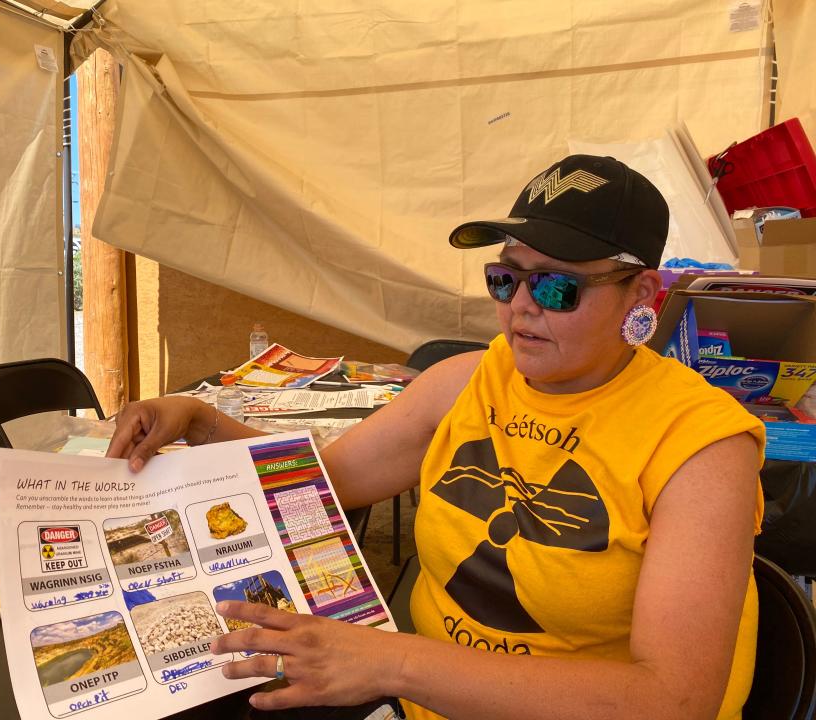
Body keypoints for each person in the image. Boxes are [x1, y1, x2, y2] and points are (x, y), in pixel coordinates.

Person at [107, 155, 765, 720]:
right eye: (505, 278)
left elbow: (671, 700)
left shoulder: (702, 447)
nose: (520, 307)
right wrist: (199, 420)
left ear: (641, 295)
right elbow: (323, 481)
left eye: (558, 286)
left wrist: (393, 661)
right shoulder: (469, 381)